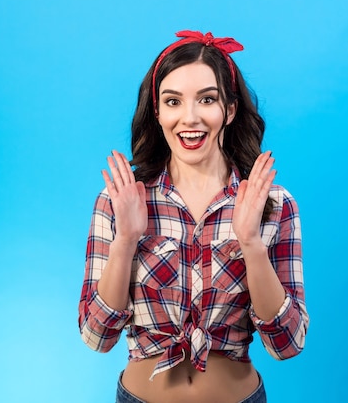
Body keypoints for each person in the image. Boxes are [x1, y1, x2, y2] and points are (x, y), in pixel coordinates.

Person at [78, 30, 309, 403]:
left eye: (207, 99)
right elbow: (96, 336)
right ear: (157, 111)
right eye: (173, 101)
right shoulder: (119, 200)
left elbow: (287, 343)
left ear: (229, 110)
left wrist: (251, 245)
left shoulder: (273, 203)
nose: (190, 117)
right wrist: (125, 240)